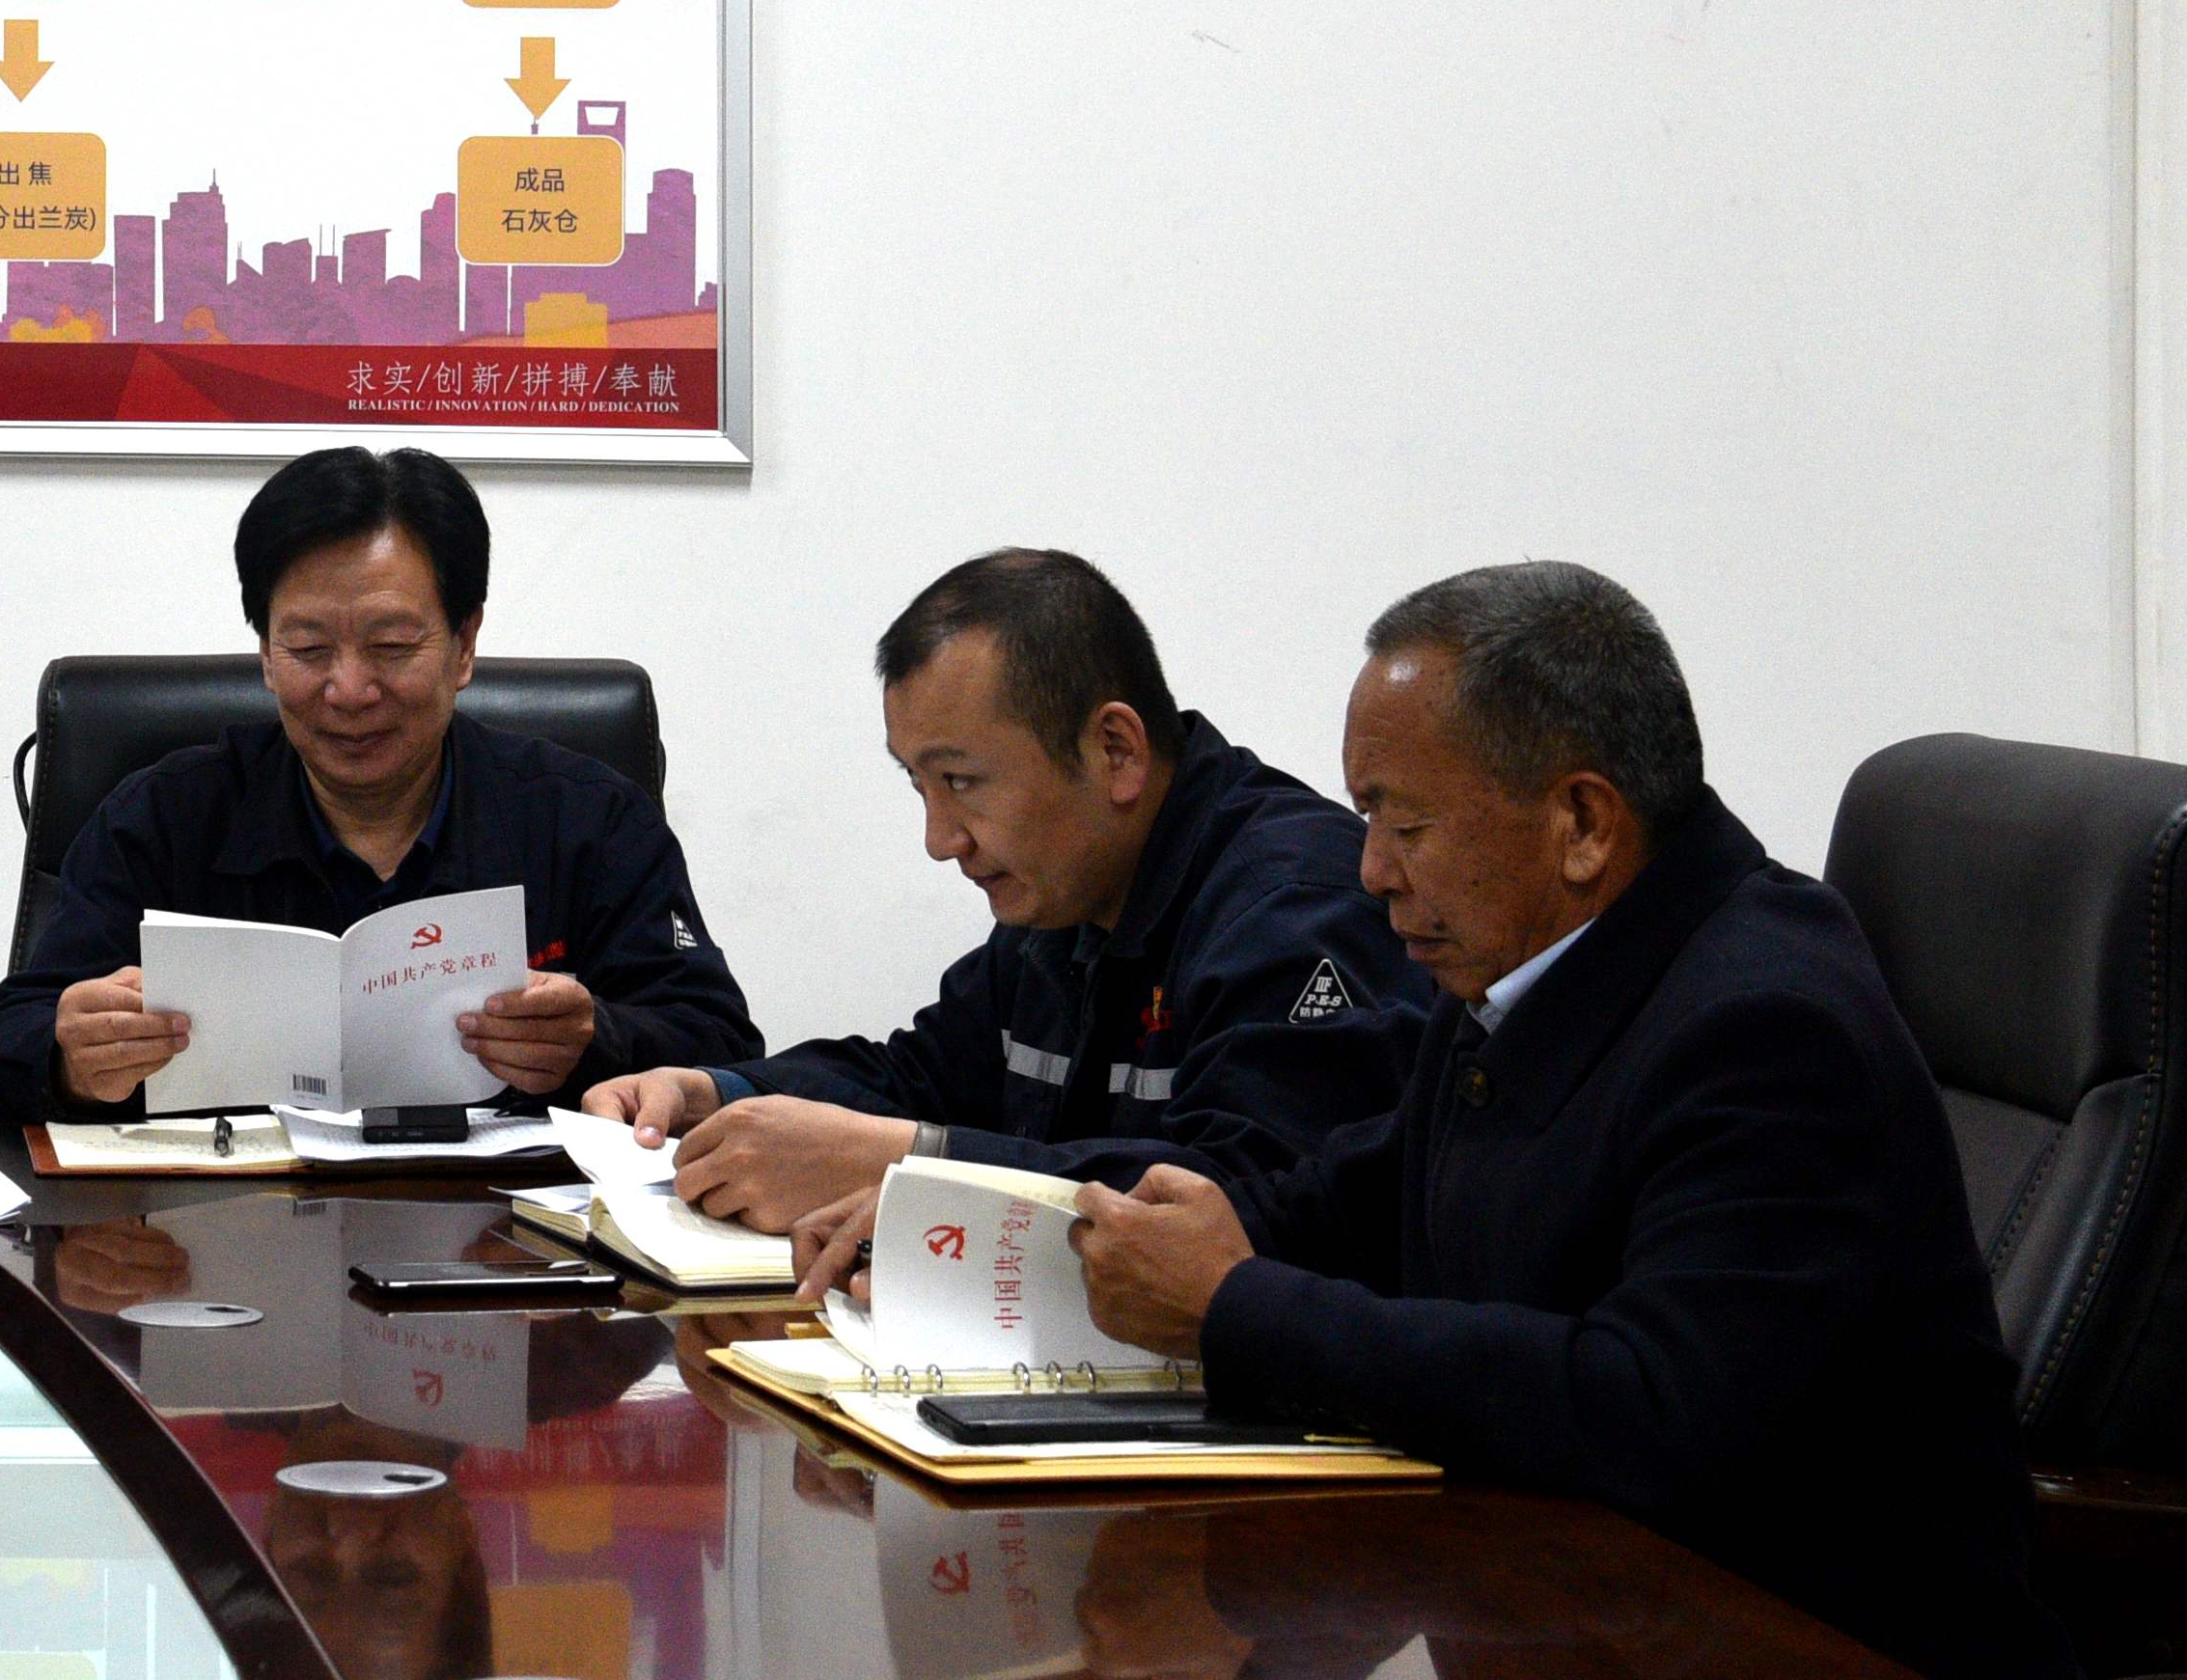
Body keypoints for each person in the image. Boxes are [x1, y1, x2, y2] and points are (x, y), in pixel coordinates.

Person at [1059, 564, 2062, 1680]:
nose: (1370, 871)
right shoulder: (1526, 962)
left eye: (1405, 824)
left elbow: (1647, 1409)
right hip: (1569, 1609)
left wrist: (1236, 1306)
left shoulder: (1768, 1028)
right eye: (1366, 818)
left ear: (1580, 823)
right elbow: (1356, 1199)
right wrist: (1085, 1233)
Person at [584, 549, 1430, 1232]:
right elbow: (917, 1078)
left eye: (961, 781)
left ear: (1115, 752)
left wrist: (908, 1164)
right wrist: (712, 1094)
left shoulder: (1295, 907)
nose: (939, 840)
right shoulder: (1064, 900)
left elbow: (1249, 1205)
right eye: (919, 785)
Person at [0, 445, 758, 1120]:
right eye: (308, 648)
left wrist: (595, 1038)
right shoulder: (161, 816)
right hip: (214, 1229)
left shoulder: (587, 818)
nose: (349, 691)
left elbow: (720, 1043)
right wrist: (73, 1058)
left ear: (463, 644)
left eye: (390, 646)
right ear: (265, 654)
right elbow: (8, 1044)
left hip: (502, 1233)